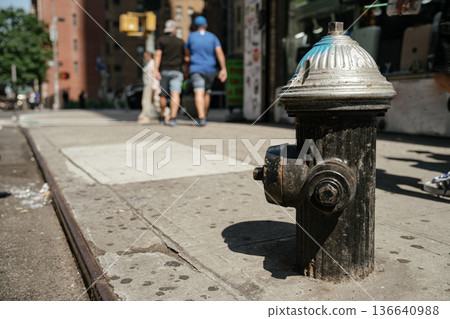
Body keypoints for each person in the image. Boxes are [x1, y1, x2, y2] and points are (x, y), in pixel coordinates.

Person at [185, 16, 227, 126]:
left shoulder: (191, 37)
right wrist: (223, 69)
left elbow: (187, 56)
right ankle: (204, 115)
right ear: (206, 25)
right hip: (210, 69)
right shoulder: (212, 37)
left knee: (199, 92)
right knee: (207, 92)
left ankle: (201, 117)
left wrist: (186, 69)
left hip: (196, 68)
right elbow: (219, 53)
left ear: (195, 26)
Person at [153, 19, 185, 127]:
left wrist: (156, 69)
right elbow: (185, 57)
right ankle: (173, 118)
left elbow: (158, 55)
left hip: (164, 70)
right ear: (175, 30)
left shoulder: (161, 40)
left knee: (163, 95)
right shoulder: (181, 42)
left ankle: (162, 116)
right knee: (175, 94)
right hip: (177, 70)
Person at [138, 51, 159, 124]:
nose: (144, 58)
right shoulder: (149, 63)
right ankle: (166, 113)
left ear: (149, 56)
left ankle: (145, 116)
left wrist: (155, 86)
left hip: (150, 85)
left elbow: (154, 75)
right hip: (147, 85)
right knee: (155, 101)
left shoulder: (152, 63)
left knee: (146, 101)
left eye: (145, 56)